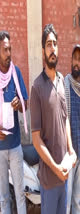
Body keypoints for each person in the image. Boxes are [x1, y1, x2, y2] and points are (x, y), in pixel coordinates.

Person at [30, 24, 76, 214]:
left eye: (55, 44)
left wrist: (71, 151)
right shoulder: (37, 88)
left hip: (64, 174)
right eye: (49, 44)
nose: (52, 48)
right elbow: (36, 139)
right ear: (43, 51)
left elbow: (65, 119)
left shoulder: (61, 81)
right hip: (49, 178)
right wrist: (55, 167)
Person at [0, 30, 28, 214]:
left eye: (10, 49)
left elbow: (26, 101)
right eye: (5, 50)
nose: (9, 54)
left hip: (16, 146)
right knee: (3, 197)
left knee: (19, 194)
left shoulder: (16, 73)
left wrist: (20, 105)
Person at [65, 44, 80, 214]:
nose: (77, 62)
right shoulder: (64, 83)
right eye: (75, 58)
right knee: (66, 201)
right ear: (71, 60)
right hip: (67, 153)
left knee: (76, 200)